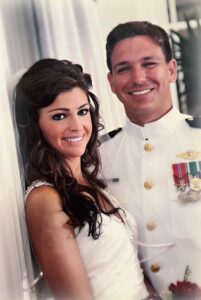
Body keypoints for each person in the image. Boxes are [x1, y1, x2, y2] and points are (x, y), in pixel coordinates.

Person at [14, 58, 149, 300]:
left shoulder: (91, 181)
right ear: (36, 125)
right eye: (59, 116)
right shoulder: (45, 199)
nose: (77, 126)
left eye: (82, 112)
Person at [100, 21, 201, 295]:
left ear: (171, 70)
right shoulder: (97, 158)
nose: (138, 77)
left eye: (149, 63)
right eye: (124, 68)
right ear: (111, 82)